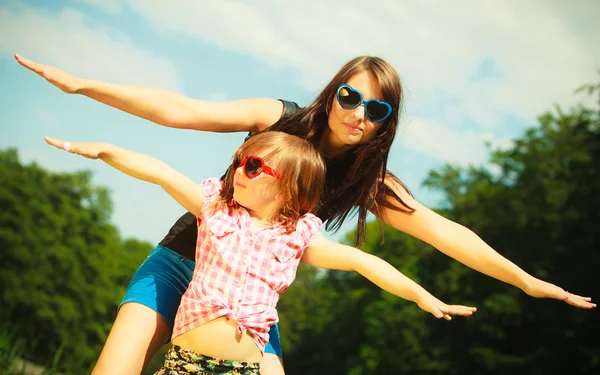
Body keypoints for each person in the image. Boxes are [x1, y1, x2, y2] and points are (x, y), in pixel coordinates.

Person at [16, 54, 595, 375]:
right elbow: (181, 110)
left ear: (384, 121)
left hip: (248, 306)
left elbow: (447, 233)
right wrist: (84, 87)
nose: (357, 112)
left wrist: (526, 280)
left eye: (376, 107)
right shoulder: (278, 118)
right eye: (349, 95)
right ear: (333, 91)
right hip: (179, 261)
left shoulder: (369, 182)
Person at [44, 131, 477, 375]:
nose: (238, 171)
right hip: (186, 366)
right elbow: (160, 172)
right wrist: (101, 150)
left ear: (288, 186)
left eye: (253, 167)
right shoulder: (215, 212)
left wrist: (423, 296)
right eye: (238, 161)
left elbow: (365, 262)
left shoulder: (296, 238)